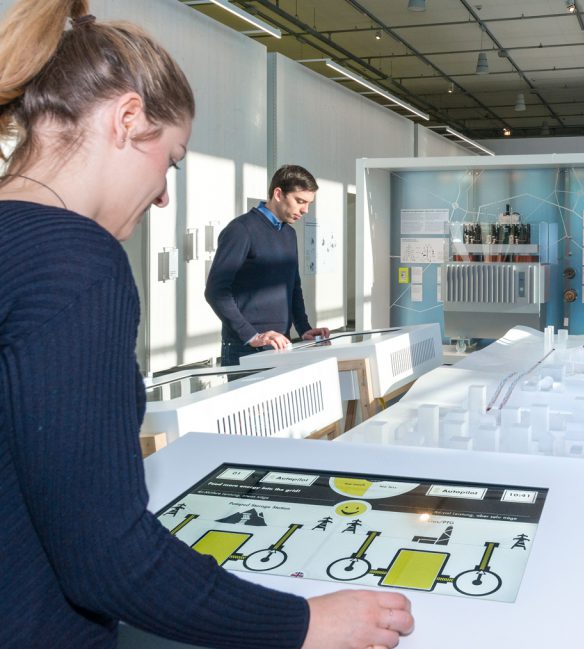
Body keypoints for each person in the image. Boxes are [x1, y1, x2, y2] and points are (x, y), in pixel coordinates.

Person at [0, 2, 413, 648]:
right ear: (127, 118)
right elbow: (108, 560)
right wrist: (304, 622)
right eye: (173, 160)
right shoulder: (79, 262)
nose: (166, 192)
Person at [205, 165, 331, 366]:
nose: (305, 210)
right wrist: (252, 336)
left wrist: (303, 328)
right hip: (245, 347)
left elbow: (293, 288)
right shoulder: (241, 230)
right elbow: (215, 291)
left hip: (280, 343)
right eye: (300, 201)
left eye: (308, 204)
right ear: (278, 194)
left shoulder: (289, 234)